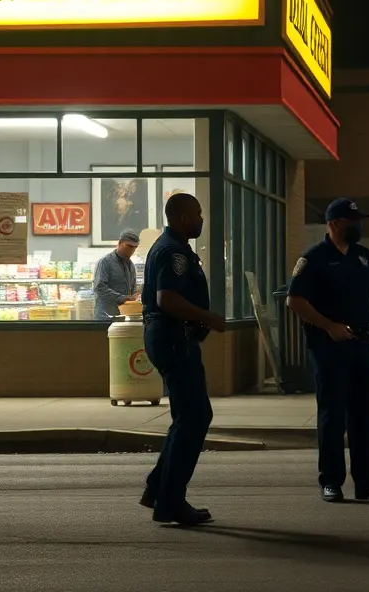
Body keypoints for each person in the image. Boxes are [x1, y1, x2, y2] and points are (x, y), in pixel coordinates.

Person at [287, 197, 369, 502]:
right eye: (353, 221)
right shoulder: (314, 258)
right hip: (329, 348)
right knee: (333, 416)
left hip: (362, 346)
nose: (359, 226)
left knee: (366, 414)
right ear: (334, 224)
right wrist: (328, 325)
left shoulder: (363, 256)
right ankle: (331, 481)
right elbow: (295, 301)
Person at [139, 193, 225, 526]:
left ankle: (158, 489)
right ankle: (170, 502)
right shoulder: (173, 251)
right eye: (199, 214)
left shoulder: (173, 247)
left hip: (173, 338)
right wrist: (208, 316)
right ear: (184, 218)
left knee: (188, 417)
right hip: (174, 339)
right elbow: (167, 299)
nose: (202, 219)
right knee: (194, 417)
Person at [92, 229, 141, 319]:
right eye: (129, 246)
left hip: (122, 315)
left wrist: (135, 297)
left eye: (135, 247)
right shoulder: (105, 262)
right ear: (120, 243)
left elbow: (132, 289)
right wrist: (122, 298)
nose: (132, 250)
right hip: (105, 317)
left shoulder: (131, 266)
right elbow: (99, 288)